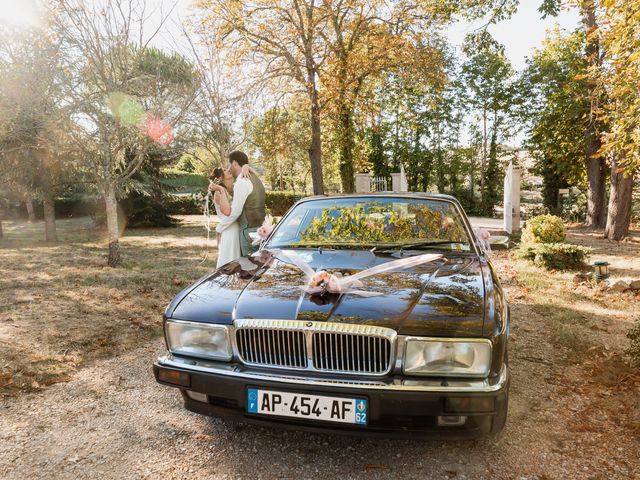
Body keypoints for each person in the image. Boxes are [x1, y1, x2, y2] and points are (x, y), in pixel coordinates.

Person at [209, 151, 266, 261]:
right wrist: (246, 166)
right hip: (259, 230)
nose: (229, 169)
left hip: (247, 232)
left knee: (249, 267)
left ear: (234, 163)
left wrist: (219, 228)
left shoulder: (241, 181)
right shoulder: (255, 178)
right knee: (253, 266)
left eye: (230, 165)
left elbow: (235, 213)